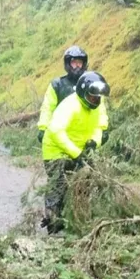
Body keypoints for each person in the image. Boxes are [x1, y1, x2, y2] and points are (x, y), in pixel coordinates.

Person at [41, 71, 110, 234]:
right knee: (58, 187)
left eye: (98, 97)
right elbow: (56, 131)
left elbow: (100, 126)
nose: (95, 100)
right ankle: (54, 225)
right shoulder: (70, 106)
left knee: (82, 186)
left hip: (79, 151)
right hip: (56, 152)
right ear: (83, 92)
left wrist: (95, 142)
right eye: (92, 96)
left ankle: (76, 222)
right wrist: (76, 153)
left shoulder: (98, 106)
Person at [37, 46, 90, 144]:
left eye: (79, 62)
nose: (77, 66)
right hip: (60, 136)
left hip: (84, 137)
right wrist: (43, 127)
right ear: (68, 64)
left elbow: (98, 110)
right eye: (74, 63)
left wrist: (101, 130)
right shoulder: (57, 85)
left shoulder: (89, 84)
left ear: (84, 64)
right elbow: (48, 108)